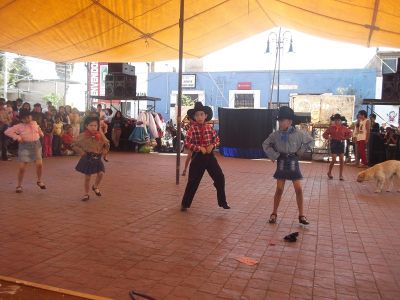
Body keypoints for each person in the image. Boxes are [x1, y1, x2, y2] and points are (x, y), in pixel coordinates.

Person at [262, 106, 313, 225]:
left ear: (289, 122)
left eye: (281, 120)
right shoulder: (275, 135)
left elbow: (311, 141)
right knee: (279, 190)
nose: (279, 123)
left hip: (294, 162)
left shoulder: (299, 133)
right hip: (281, 161)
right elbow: (265, 144)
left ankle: (302, 215)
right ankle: (274, 213)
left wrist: (300, 151)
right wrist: (274, 155)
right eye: (279, 121)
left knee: (299, 190)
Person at [180, 102, 230, 211]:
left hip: (210, 157)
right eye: (197, 115)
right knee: (193, 181)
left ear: (206, 116)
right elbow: (187, 143)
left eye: (202, 114)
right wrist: (199, 148)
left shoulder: (209, 128)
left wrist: (213, 145)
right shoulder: (192, 129)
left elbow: (217, 140)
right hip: (198, 157)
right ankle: (185, 204)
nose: (199, 117)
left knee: (220, 177)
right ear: (194, 117)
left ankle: (222, 202)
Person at [5, 110, 46, 193]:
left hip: (36, 145)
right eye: (25, 118)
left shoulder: (34, 123)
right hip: (25, 147)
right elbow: (7, 131)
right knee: (22, 167)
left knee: (39, 164)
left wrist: (41, 133)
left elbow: (38, 128)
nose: (27, 119)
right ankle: (19, 185)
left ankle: (39, 181)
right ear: (22, 119)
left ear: (31, 116)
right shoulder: (19, 126)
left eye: (28, 117)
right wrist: (18, 137)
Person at [72, 116, 110, 201]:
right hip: (88, 157)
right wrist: (81, 152)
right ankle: (86, 194)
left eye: (95, 125)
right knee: (87, 177)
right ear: (86, 126)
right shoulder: (83, 136)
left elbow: (107, 144)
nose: (93, 127)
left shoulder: (100, 136)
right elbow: (73, 144)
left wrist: (104, 151)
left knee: (101, 173)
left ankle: (95, 186)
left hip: (97, 158)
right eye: (91, 125)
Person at [323, 113, 352, 180]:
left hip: (341, 143)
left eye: (338, 120)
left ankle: (341, 175)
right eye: (336, 120)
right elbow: (324, 135)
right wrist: (328, 137)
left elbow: (350, 133)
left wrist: (346, 138)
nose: (337, 121)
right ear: (334, 121)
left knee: (342, 159)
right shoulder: (331, 127)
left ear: (341, 121)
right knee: (334, 159)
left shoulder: (344, 128)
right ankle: (329, 172)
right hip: (334, 143)